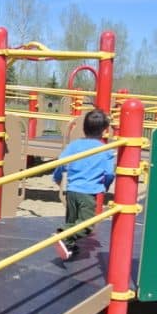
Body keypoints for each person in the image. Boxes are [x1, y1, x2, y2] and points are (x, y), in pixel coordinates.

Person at [53, 108, 115, 260]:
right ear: (104, 130)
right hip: (88, 192)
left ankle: (69, 246)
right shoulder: (105, 150)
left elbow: (61, 163)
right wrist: (105, 186)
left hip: (72, 190)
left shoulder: (74, 145)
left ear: (83, 128)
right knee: (87, 225)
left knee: (72, 220)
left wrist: (57, 177)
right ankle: (63, 234)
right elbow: (109, 174)